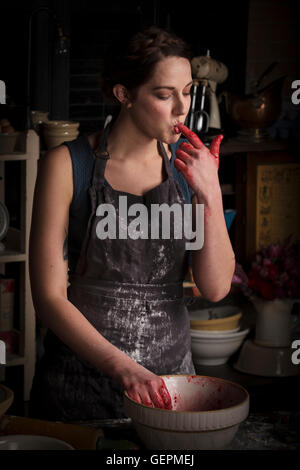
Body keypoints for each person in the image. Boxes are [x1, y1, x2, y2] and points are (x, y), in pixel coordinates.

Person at [29, 26, 235, 421]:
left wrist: (211, 191)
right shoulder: (67, 165)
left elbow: (215, 287)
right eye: (164, 95)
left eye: (188, 91)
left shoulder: (188, 168)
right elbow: (49, 297)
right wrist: (124, 368)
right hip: (78, 386)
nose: (182, 109)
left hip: (169, 388)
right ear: (124, 94)